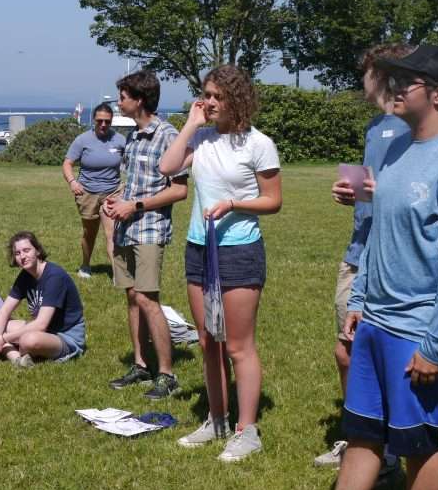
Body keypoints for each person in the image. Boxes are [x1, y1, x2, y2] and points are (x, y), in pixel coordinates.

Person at [267, 45, 438, 490]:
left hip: (421, 326)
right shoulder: (394, 149)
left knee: (418, 440)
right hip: (374, 319)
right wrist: (359, 300)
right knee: (365, 431)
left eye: (405, 82)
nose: (393, 89)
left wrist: (436, 344)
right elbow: (376, 232)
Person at [159, 64, 282, 461]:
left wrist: (234, 204)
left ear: (236, 99)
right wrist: (191, 124)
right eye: (205, 94)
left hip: (238, 250)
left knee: (238, 346)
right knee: (208, 340)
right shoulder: (203, 139)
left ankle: (247, 430)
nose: (209, 102)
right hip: (199, 247)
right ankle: (216, 419)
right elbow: (167, 167)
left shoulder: (258, 144)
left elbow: (273, 200)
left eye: (216, 96)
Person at [314, 44, 414, 469]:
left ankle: (387, 448)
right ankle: (362, 437)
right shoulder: (375, 128)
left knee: (375, 355)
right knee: (346, 352)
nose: (362, 80)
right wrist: (351, 195)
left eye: (366, 72)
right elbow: (374, 188)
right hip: (358, 251)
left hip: (390, 259)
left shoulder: (415, 127)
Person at [103, 70, 189, 399]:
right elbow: (135, 182)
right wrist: (118, 199)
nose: (119, 102)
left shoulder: (168, 135)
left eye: (123, 97)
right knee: (131, 297)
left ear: (139, 100)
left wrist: (135, 206)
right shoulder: (134, 137)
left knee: (148, 299)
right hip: (127, 227)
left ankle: (167, 374)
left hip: (150, 229)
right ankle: (141, 365)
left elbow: (178, 191)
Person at [0, 231, 86, 368]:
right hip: (44, 330)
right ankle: (18, 360)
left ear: (37, 251)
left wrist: (2, 339)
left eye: (26, 250)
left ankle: (14, 352)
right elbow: (5, 310)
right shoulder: (25, 276)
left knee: (28, 340)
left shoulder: (54, 277)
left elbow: (41, 325)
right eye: (18, 253)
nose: (22, 256)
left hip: (66, 336)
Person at [62, 103, 126, 278]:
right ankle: (85, 265)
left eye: (107, 121)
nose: (103, 125)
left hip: (112, 192)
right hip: (87, 193)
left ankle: (117, 274)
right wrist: (72, 182)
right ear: (94, 120)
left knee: (111, 233)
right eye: (99, 121)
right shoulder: (82, 140)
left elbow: (131, 163)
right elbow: (67, 163)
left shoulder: (120, 140)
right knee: (89, 233)